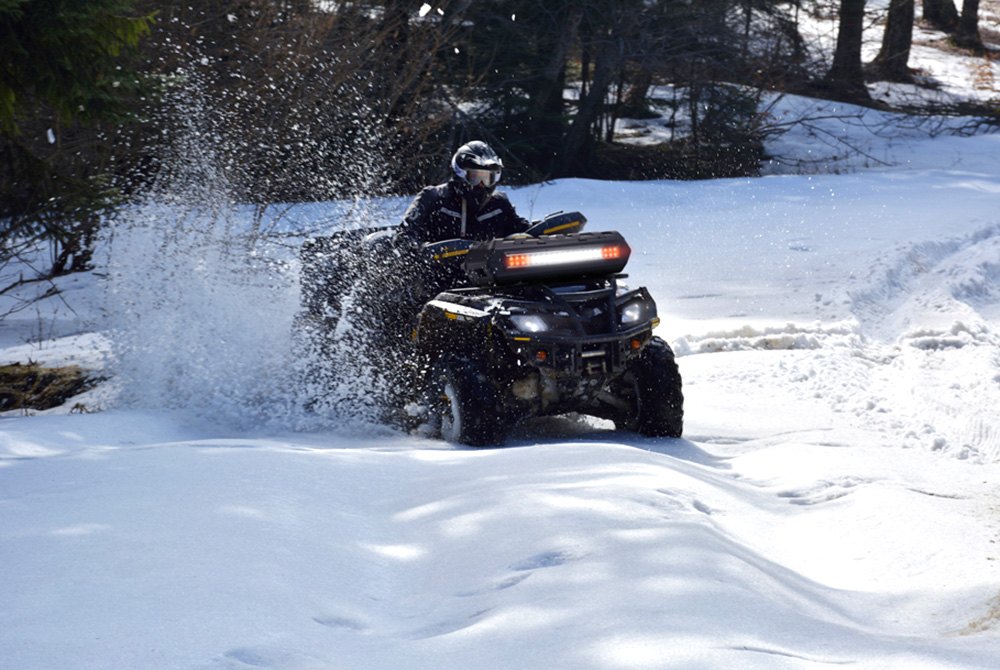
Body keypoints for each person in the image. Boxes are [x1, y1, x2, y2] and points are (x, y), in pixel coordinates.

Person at [396, 140, 530, 245]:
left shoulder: (500, 204)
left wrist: (543, 231)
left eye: (488, 178)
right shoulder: (433, 197)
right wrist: (418, 248)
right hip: (435, 274)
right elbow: (404, 235)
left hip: (488, 275)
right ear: (460, 174)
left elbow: (523, 233)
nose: (481, 184)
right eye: (476, 177)